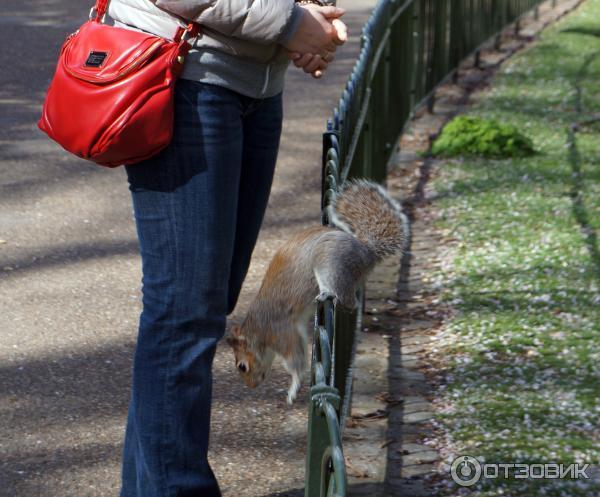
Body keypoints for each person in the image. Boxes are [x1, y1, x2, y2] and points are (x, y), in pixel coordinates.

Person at [106, 0, 348, 496]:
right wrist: (290, 23)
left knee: (198, 307)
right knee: (184, 312)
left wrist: (313, 21)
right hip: (182, 75)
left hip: (255, 84)